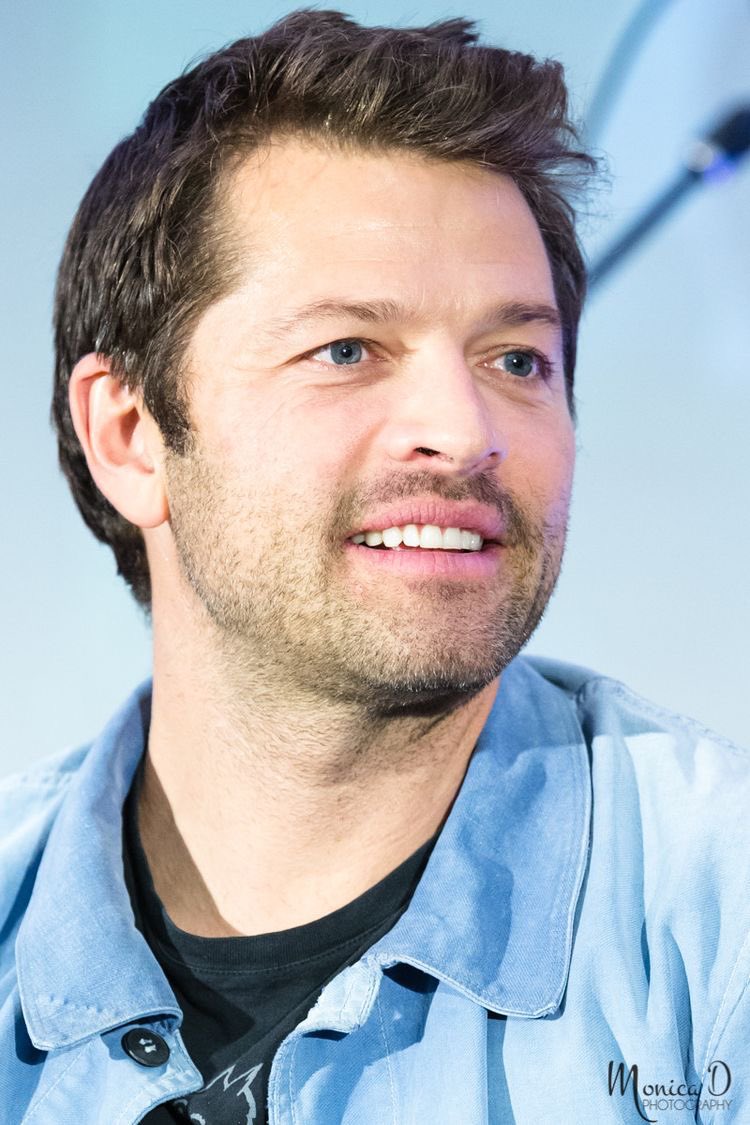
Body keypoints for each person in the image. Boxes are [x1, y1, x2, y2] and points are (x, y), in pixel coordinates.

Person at [2, 8, 749, 1124]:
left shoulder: (716, 916)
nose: (464, 430)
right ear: (130, 434)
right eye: (346, 349)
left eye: (517, 359)